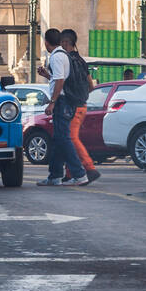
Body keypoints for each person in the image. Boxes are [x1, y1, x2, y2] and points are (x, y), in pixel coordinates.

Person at [37, 28, 88, 186]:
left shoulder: (57, 57)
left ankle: (80, 174)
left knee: (64, 139)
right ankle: (55, 176)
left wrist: (52, 102)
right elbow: (60, 78)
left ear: (46, 42)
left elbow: (60, 81)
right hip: (66, 101)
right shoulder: (63, 55)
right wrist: (47, 76)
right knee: (58, 139)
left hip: (62, 102)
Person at [60, 29, 101, 184]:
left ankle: (90, 168)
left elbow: (61, 83)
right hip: (81, 104)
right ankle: (70, 172)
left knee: (70, 138)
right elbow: (91, 85)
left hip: (73, 105)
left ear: (66, 43)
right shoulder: (81, 61)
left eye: (62, 42)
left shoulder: (67, 61)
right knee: (69, 138)